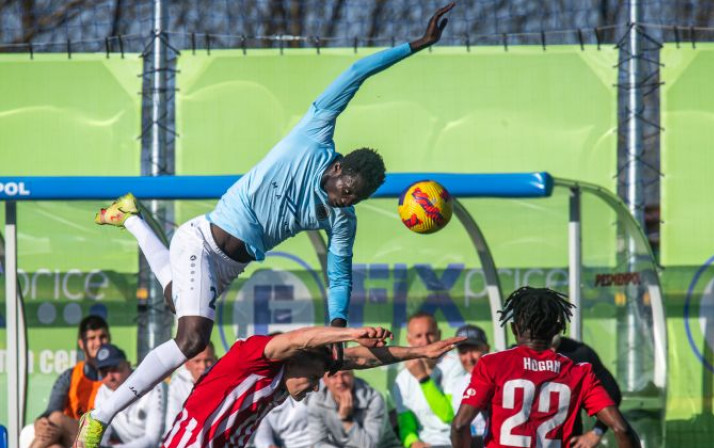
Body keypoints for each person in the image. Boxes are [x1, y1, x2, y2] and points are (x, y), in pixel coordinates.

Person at [76, 4, 456, 446]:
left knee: (175, 298)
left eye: (355, 199)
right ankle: (99, 416)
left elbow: (338, 275)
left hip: (226, 267)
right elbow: (356, 73)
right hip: (202, 239)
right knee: (193, 338)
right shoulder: (313, 135)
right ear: (337, 168)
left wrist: (336, 326)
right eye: (345, 190)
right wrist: (416, 45)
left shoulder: (341, 217)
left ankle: (133, 218)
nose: (345, 201)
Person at [160, 325, 464, 447]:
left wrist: (421, 352)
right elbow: (298, 339)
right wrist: (352, 332)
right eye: (317, 377)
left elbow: (359, 359)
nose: (317, 387)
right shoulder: (249, 358)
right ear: (292, 360)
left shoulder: (287, 377)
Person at [450, 287, 640, 448]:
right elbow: (621, 428)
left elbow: (460, 425)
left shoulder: (492, 364)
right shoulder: (578, 372)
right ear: (557, 330)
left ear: (514, 328)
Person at [31, 315, 110, 448]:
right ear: (81, 344)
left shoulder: (118, 374)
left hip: (103, 439)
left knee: (57, 418)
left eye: (102, 337)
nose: (98, 343)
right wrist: (39, 423)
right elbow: (51, 410)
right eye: (91, 338)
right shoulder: (70, 376)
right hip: (73, 439)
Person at [392, 311, 466, 448]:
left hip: (453, 442)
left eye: (430, 334)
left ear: (439, 334)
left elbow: (450, 416)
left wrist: (423, 379)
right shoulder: (402, 379)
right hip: (424, 443)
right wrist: (413, 442)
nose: (425, 341)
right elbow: (406, 426)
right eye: (418, 336)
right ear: (409, 340)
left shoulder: (455, 365)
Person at [553, 335, 623, 448]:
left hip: (568, 441)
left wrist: (597, 431)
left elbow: (612, 392)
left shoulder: (579, 353)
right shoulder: (517, 357)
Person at [93, 344, 165, 448]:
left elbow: (152, 440)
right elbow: (102, 437)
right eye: (104, 372)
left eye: (114, 369)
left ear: (128, 365)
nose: (110, 377)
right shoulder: (101, 394)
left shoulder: (153, 384)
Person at [307, 369, 402, 448]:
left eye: (345, 374)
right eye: (334, 376)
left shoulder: (373, 398)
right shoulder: (317, 402)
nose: (340, 381)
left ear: (353, 375)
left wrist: (347, 421)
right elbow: (318, 441)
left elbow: (369, 445)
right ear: (325, 380)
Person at [449, 325, 490, 447]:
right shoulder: (457, 386)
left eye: (474, 350)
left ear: (487, 348)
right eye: (463, 352)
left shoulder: (502, 378)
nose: (469, 358)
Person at [164, 342, 217, 428]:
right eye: (197, 361)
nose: (203, 366)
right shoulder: (177, 384)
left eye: (208, 360)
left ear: (215, 360)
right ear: (187, 364)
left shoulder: (225, 381)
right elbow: (172, 424)